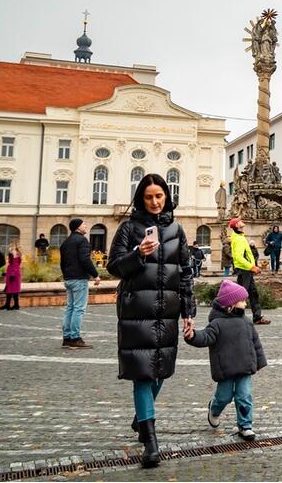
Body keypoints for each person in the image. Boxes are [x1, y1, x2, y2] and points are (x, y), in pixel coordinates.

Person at [107, 173, 197, 469]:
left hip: (167, 310)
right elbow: (114, 267)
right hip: (136, 310)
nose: (155, 202)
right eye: (149, 197)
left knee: (160, 371)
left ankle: (140, 418)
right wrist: (137, 254)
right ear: (140, 199)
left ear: (167, 197)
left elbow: (185, 272)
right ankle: (151, 443)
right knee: (143, 375)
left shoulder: (176, 229)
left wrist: (189, 311)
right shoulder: (129, 228)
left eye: (160, 196)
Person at [184, 279, 267, 440]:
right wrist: (192, 336)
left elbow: (255, 342)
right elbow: (205, 337)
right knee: (224, 397)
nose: (245, 303)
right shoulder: (217, 324)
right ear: (230, 305)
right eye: (242, 300)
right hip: (226, 368)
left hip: (244, 367)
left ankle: (245, 425)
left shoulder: (246, 322)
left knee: (244, 396)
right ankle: (214, 410)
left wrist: (259, 361)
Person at [59, 218, 100, 349]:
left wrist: (66, 275)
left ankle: (67, 338)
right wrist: (95, 274)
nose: (86, 226)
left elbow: (62, 262)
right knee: (78, 309)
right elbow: (85, 259)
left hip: (69, 279)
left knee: (70, 308)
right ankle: (75, 338)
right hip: (79, 279)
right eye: (84, 224)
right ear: (78, 227)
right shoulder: (82, 240)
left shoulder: (65, 242)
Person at [229, 218, 270, 325]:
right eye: (239, 221)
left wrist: (252, 266)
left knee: (253, 294)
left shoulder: (240, 237)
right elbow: (238, 257)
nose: (242, 221)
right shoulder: (238, 239)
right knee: (241, 295)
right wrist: (251, 267)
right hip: (244, 270)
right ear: (237, 225)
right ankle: (235, 317)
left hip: (247, 270)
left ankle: (257, 317)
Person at [0, 244, 23, 310]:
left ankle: (16, 305)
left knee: (14, 290)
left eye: (12, 249)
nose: (11, 250)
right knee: (9, 289)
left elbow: (15, 266)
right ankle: (8, 304)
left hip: (14, 274)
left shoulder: (17, 257)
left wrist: (12, 274)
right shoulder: (13, 257)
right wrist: (6, 273)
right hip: (11, 273)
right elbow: (11, 265)